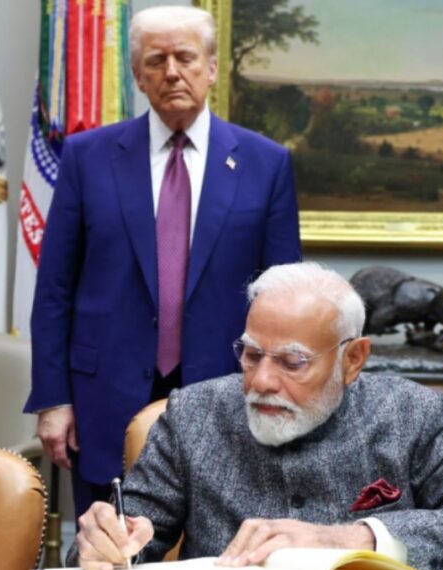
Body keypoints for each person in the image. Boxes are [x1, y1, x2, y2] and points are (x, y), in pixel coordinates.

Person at [72, 262, 443, 570]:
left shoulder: (408, 415)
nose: (261, 381)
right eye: (251, 354)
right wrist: (102, 544)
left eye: (293, 362)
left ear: (353, 360)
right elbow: (121, 541)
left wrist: (359, 539)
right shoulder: (193, 415)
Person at [24, 5, 302, 520]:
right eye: (156, 60)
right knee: (108, 551)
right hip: (103, 400)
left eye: (185, 58)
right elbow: (55, 288)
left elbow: (286, 301)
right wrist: (53, 399)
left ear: (211, 68)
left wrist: (282, 397)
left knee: (215, 555)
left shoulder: (266, 164)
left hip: (227, 399)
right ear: (137, 75)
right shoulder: (87, 157)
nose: (172, 72)